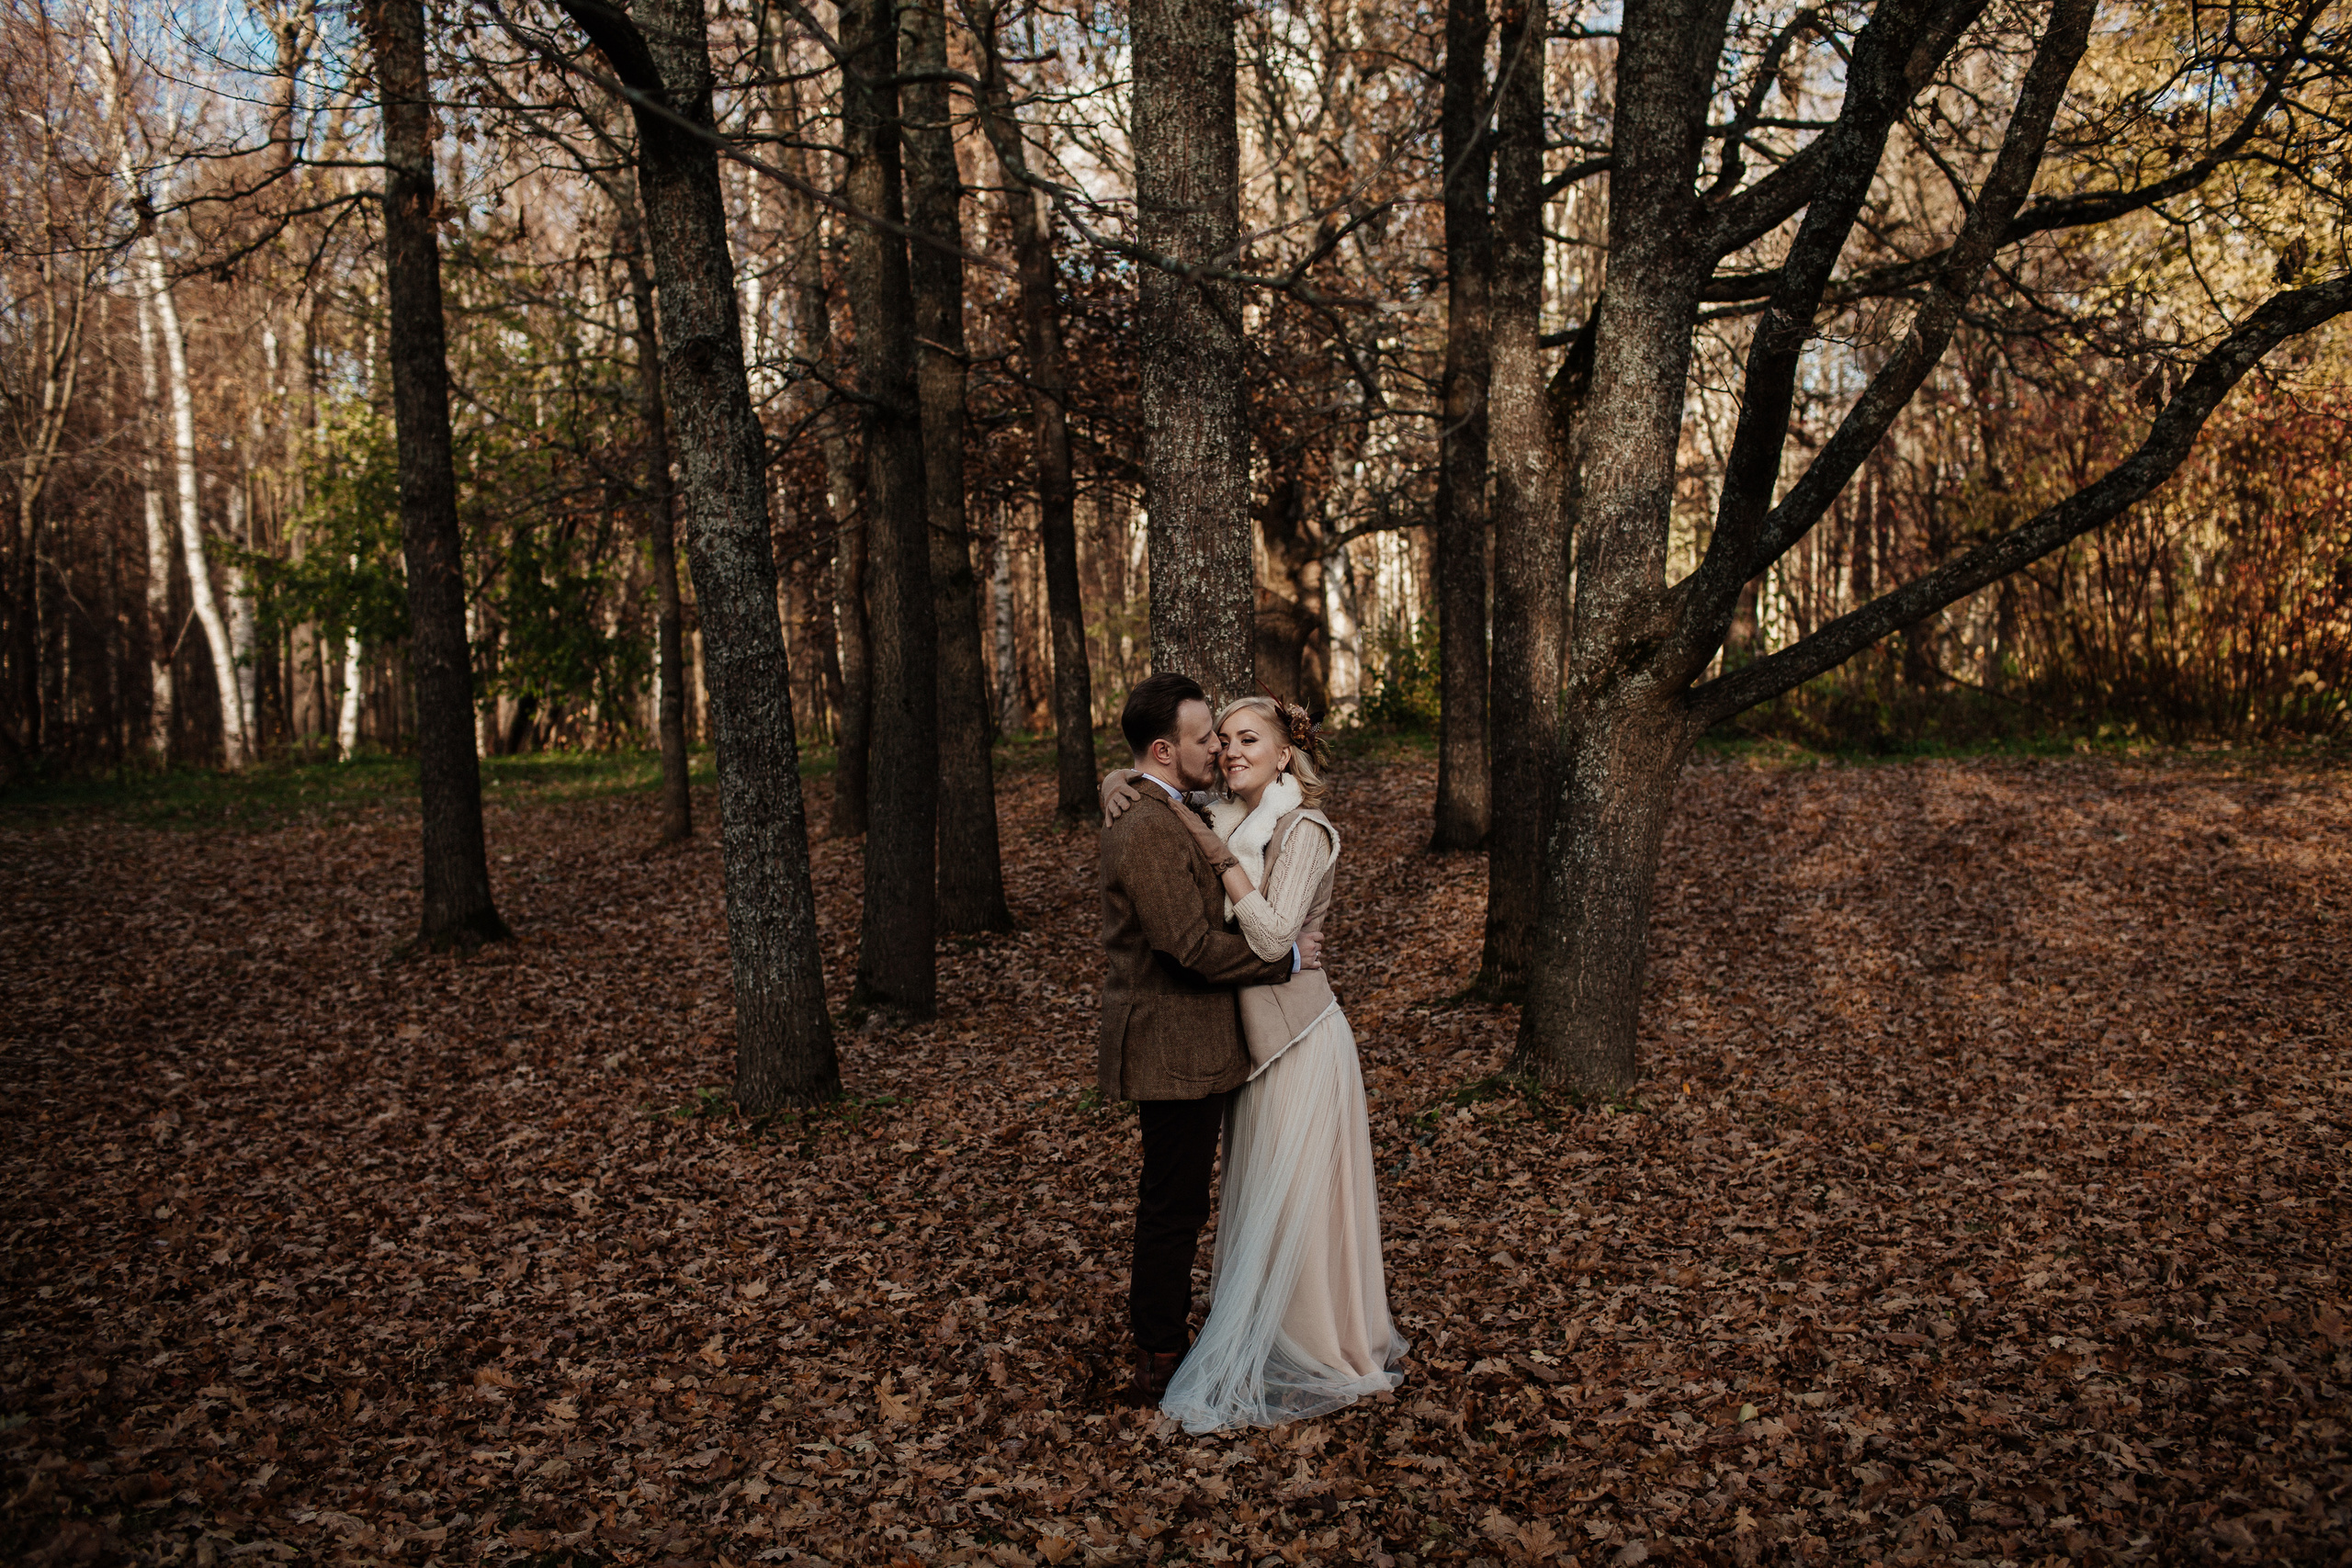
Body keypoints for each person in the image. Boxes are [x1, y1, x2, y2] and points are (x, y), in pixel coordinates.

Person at [1102, 694, 1407, 1433]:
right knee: (1258, 1200)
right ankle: (1245, 1334)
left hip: (1298, 1039)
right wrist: (1116, 776)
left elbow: (1271, 938)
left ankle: (1313, 1342)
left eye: (1245, 739)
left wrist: (1224, 869)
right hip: (1251, 1046)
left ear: (1284, 754)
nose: (1229, 750)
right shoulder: (1228, 816)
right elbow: (1157, 780)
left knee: (1298, 1200)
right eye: (1220, 738)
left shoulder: (1296, 828)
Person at [1097, 672, 1323, 1404]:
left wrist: (1113, 775)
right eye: (1204, 739)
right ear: (1164, 750)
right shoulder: (1147, 824)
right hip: (1171, 1048)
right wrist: (1284, 958)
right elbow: (1188, 947)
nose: (1218, 750)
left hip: (1194, 1046)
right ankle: (1159, 1353)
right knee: (1173, 1204)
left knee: (1182, 1199)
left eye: (1226, 737)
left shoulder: (1171, 806)